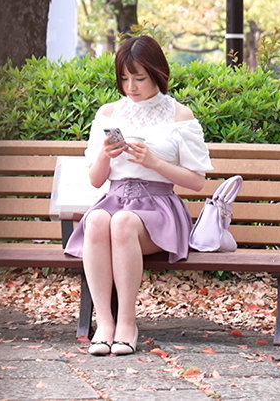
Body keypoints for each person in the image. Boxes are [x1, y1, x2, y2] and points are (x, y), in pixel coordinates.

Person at [64, 36, 213, 356]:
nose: (130, 87)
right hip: (114, 199)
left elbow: (197, 182)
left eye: (139, 78)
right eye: (124, 78)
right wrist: (105, 155)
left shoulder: (180, 116)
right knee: (97, 219)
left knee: (123, 222)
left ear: (157, 74)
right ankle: (104, 323)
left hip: (159, 209)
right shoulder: (109, 113)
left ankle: (127, 323)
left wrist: (154, 162)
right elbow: (95, 180)